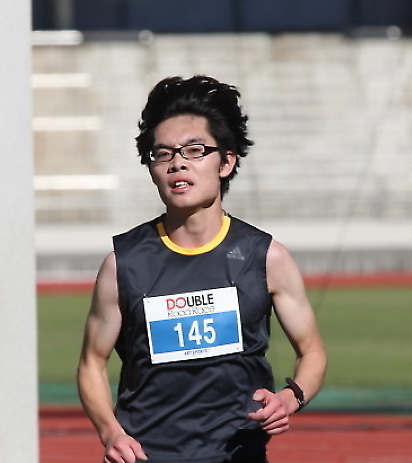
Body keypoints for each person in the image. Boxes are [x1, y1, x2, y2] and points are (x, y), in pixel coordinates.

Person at [77, 75, 327, 463]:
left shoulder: (267, 258)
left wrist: (291, 397)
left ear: (226, 162)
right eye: (163, 153)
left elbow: (312, 351)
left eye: (195, 150)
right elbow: (92, 363)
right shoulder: (122, 264)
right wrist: (110, 432)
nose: (178, 163)